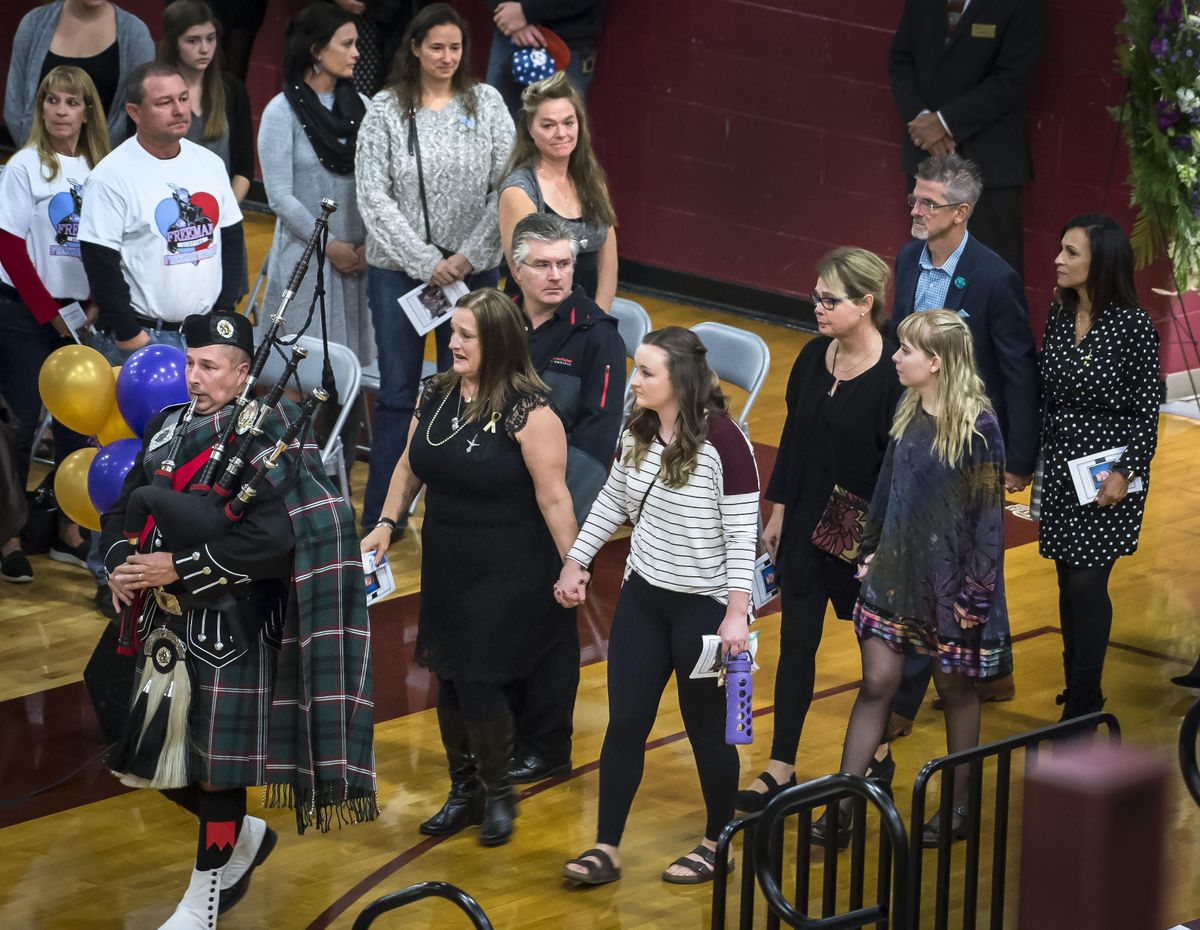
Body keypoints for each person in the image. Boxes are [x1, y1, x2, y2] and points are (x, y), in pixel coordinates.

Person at [99, 311, 377, 928]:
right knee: (129, 738)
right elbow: (121, 509)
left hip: (229, 624)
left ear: (244, 372)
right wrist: (122, 562)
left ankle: (205, 900)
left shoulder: (272, 434)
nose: (195, 379)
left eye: (210, 367)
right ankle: (241, 835)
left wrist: (180, 568)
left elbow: (277, 538)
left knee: (215, 767)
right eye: (191, 364)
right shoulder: (167, 428)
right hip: (156, 623)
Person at [361, 288, 578, 847]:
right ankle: (466, 792)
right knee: (451, 678)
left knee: (477, 679)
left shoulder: (532, 413)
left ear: (498, 343)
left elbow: (556, 500)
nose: (452, 342)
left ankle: (498, 790)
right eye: (452, 332)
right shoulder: (436, 393)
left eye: (465, 335)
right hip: (449, 563)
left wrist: (573, 565)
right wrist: (387, 522)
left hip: (509, 568)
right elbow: (411, 463)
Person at [557, 326, 760, 886]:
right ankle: (605, 847)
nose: (635, 380)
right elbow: (612, 501)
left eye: (646, 372)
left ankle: (719, 840)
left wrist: (737, 615)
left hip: (705, 613)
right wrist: (578, 559)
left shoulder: (727, 444)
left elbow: (745, 537)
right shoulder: (637, 432)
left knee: (708, 732)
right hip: (644, 600)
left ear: (681, 380)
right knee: (624, 723)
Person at [815, 309, 1010, 849]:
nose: (895, 357)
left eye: (906, 350)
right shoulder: (908, 407)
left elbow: (987, 519)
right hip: (896, 571)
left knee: (954, 688)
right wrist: (868, 546)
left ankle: (960, 806)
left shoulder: (979, 426)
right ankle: (843, 803)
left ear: (937, 362)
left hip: (952, 584)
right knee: (876, 682)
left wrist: (976, 591)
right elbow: (886, 485)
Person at [735, 248, 902, 813]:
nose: (817, 307)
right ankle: (781, 763)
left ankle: (876, 752)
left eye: (830, 300)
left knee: (870, 650)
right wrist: (777, 510)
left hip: (860, 521)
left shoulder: (892, 373)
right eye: (815, 296)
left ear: (865, 304)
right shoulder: (811, 358)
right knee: (796, 642)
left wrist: (872, 544)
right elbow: (795, 440)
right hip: (807, 511)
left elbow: (891, 469)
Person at [79, 60, 245, 614]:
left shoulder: (208, 163)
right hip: (144, 341)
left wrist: (226, 313)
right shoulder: (113, 174)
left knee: (196, 461)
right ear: (133, 112)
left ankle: (177, 569)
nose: (180, 110)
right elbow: (99, 261)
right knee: (130, 463)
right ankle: (115, 577)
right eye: (164, 102)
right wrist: (130, 336)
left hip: (202, 335)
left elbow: (232, 240)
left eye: (183, 99)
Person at [888, 153, 1037, 731]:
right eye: (915, 198)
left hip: (969, 443)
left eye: (928, 203)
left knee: (956, 559)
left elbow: (1017, 369)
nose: (916, 210)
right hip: (912, 432)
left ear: (961, 212)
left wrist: (1020, 460)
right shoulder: (904, 259)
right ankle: (990, 669)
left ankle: (902, 696)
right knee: (936, 555)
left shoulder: (995, 277)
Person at [356, 2, 515, 533]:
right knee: (399, 394)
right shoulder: (384, 109)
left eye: (456, 47)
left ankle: (464, 509)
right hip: (400, 273)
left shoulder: (487, 102)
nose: (448, 57)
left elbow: (507, 185)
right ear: (416, 49)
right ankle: (385, 514)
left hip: (474, 270)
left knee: (476, 388)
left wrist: (467, 256)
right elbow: (372, 196)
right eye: (437, 47)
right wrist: (428, 263)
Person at [503, 212, 624, 784]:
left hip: (559, 510)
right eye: (543, 265)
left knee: (550, 631)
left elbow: (598, 442)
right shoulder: (496, 321)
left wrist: (564, 529)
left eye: (565, 264)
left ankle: (547, 744)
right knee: (502, 619)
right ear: (516, 268)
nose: (556, 275)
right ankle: (500, 730)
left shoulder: (598, 335)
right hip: (492, 506)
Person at [1039, 214, 1160, 718]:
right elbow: (1047, 392)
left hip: (1108, 473)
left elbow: (1147, 410)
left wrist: (1125, 471)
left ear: (1101, 263)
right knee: (1068, 580)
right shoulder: (1059, 312)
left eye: (1071, 252)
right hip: (1060, 466)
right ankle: (1078, 684)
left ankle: (1087, 696)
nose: (1058, 260)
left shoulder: (1134, 326)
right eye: (1061, 249)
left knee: (1089, 582)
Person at [0, 67, 110, 588]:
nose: (60, 110)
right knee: (18, 426)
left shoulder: (100, 169)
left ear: (88, 110)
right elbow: (9, 248)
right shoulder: (25, 166)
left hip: (78, 312)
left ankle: (70, 528)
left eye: (71, 102)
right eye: (51, 100)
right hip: (24, 312)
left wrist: (90, 302)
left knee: (79, 426)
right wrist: (50, 314)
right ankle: (10, 536)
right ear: (40, 107)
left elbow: (104, 244)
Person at [887, 0, 1046, 278]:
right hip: (926, 154)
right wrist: (923, 121)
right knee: (927, 268)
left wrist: (945, 123)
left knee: (991, 276)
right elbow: (901, 58)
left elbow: (1011, 78)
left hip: (990, 163)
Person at [258, 2, 374, 365]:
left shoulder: (365, 107)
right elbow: (279, 196)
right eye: (346, 44)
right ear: (316, 50)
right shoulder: (281, 111)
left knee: (351, 373)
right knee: (298, 374)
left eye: (357, 43)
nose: (356, 53)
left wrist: (369, 246)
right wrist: (330, 245)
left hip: (359, 260)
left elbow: (377, 185)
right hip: (306, 257)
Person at [499, 71, 617, 308]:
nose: (561, 133)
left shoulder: (592, 180)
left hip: (588, 315)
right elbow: (526, 273)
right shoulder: (519, 190)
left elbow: (608, 263)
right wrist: (566, 328)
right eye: (548, 125)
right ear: (530, 131)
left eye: (568, 123)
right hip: (538, 316)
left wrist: (598, 319)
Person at [5, 0, 154, 146]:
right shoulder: (34, 23)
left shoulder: (135, 33)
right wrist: (38, 154)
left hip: (105, 162)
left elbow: (134, 107)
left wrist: (96, 159)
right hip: (37, 157)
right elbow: (15, 101)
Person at [158, 1, 254, 205]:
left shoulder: (232, 89)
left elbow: (244, 167)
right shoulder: (153, 91)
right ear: (174, 43)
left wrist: (227, 211)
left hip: (221, 214)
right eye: (193, 41)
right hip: (165, 211)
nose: (204, 49)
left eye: (210, 39)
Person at [485, 1, 606, 117]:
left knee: (557, 128)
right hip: (509, 33)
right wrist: (508, 14)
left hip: (567, 40)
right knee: (497, 128)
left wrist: (526, 12)